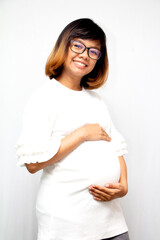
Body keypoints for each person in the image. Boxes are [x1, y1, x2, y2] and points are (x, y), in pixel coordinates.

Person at [16, 18, 130, 240]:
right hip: (67, 223)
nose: (85, 55)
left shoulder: (97, 101)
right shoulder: (44, 98)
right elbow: (31, 164)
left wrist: (123, 186)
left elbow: (116, 147)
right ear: (64, 46)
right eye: (78, 45)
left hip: (111, 220)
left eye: (94, 51)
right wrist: (82, 134)